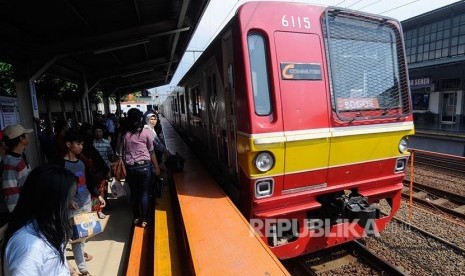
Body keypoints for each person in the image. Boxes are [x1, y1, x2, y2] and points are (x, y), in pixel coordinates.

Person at [1, 164, 78, 276]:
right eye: (69, 199)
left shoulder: (47, 226)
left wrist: (71, 271)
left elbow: (55, 259)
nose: (71, 204)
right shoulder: (28, 246)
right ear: (53, 202)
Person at [60, 130, 105, 276]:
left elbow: (89, 181)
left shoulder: (82, 162)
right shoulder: (60, 164)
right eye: (78, 144)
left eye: (82, 144)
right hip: (71, 207)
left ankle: (81, 263)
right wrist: (68, 200)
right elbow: (58, 187)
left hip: (85, 203)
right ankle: (77, 268)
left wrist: (97, 195)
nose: (81, 147)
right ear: (68, 144)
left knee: (82, 235)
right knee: (68, 237)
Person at [120, 108, 160, 228]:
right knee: (144, 193)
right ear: (140, 118)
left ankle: (136, 217)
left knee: (134, 193)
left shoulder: (124, 134)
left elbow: (119, 152)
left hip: (130, 168)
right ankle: (144, 219)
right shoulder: (146, 132)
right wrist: (157, 167)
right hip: (145, 166)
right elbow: (151, 151)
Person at [1, 124, 33, 212]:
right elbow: (10, 192)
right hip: (19, 211)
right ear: (21, 138)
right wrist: (17, 215)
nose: (28, 136)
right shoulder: (12, 163)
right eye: (25, 134)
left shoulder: (18, 157)